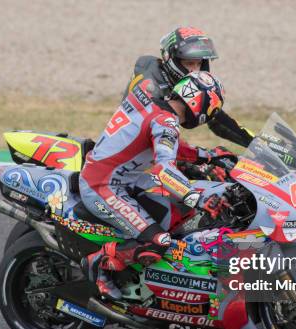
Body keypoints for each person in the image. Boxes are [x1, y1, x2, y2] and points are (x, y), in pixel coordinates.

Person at [80, 71, 235, 300]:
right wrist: (199, 199)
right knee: (160, 241)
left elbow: (168, 145)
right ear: (200, 105)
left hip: (124, 178)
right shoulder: (166, 121)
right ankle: (98, 263)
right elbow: (163, 170)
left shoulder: (154, 107)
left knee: (180, 215)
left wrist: (209, 156)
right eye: (212, 110)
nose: (210, 116)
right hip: (102, 186)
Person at [122, 26, 255, 148]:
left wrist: (256, 143)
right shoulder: (150, 85)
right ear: (171, 59)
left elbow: (215, 117)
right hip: (133, 154)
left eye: (199, 64)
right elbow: (149, 135)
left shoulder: (180, 82)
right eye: (190, 63)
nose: (195, 70)